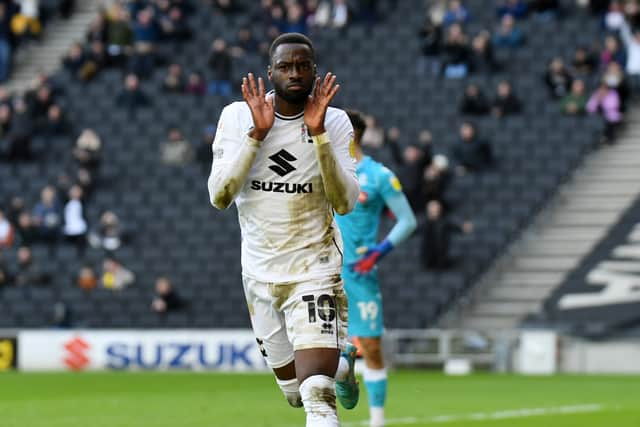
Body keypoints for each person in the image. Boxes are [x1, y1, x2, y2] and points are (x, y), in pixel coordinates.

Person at [207, 32, 360, 427]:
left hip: (315, 268)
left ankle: (329, 374)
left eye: (303, 66)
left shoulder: (336, 121)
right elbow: (220, 197)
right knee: (294, 394)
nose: (295, 73)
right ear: (270, 72)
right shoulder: (237, 117)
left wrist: (320, 135)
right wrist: (256, 136)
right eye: (286, 66)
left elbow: (344, 203)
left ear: (314, 71)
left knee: (316, 394)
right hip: (258, 273)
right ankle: (342, 367)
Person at [334, 110, 417, 427]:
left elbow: (408, 221)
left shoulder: (379, 175)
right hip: (325, 271)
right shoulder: (325, 170)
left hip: (359, 272)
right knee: (321, 346)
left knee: (369, 347)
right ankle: (326, 415)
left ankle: (377, 420)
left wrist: (380, 252)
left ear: (353, 134)